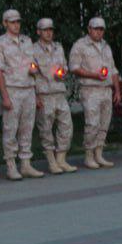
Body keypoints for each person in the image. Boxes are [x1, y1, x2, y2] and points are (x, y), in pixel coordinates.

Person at [0, 9, 44, 180]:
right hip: (12, 89)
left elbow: (33, 67)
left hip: (28, 88)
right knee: (10, 129)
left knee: (27, 128)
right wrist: (4, 96)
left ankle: (26, 164)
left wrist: (36, 93)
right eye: (12, 22)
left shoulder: (27, 41)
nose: (16, 25)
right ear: (5, 23)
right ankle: (11, 165)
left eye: (18, 22)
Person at [69, 17, 121, 169]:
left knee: (104, 123)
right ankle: (89, 155)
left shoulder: (106, 46)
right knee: (92, 123)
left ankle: (99, 153)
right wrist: (94, 75)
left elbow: (113, 70)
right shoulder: (80, 45)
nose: (99, 32)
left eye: (101, 29)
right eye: (96, 29)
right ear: (89, 29)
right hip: (90, 89)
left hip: (106, 89)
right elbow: (74, 67)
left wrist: (116, 90)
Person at [32, 18, 76, 173]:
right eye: (45, 30)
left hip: (59, 92)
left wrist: (62, 72)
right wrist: (35, 96)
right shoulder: (32, 49)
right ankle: (51, 161)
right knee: (46, 129)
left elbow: (64, 66)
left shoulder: (58, 48)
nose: (49, 32)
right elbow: (32, 75)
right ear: (38, 32)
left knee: (66, 126)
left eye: (51, 29)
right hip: (44, 94)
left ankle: (61, 159)